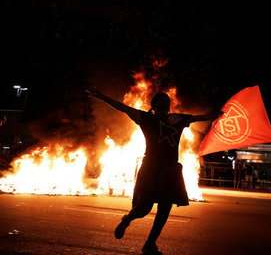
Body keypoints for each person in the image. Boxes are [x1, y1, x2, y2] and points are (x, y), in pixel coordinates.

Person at [86, 90, 221, 255]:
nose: (165, 105)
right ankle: (127, 220)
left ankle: (150, 244)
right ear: (154, 106)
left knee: (165, 208)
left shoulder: (178, 119)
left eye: (167, 102)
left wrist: (215, 115)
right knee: (143, 208)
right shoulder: (146, 118)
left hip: (170, 169)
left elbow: (199, 117)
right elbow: (122, 107)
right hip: (151, 168)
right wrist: (102, 97)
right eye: (161, 102)